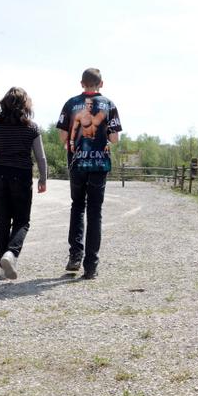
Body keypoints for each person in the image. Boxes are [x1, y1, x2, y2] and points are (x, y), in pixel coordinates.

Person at [57, 68, 122, 279]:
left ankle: (75, 256)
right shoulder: (109, 105)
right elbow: (114, 140)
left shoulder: (70, 104)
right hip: (99, 165)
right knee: (95, 212)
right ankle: (91, 266)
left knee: (77, 207)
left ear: (81, 83)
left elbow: (62, 138)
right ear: (101, 84)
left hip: (77, 164)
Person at [0, 87, 48, 280]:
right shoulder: (31, 127)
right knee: (21, 221)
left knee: (1, 223)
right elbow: (40, 157)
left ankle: (3, 264)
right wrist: (43, 178)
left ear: (4, 103)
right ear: (25, 105)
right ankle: (11, 254)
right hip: (21, 176)